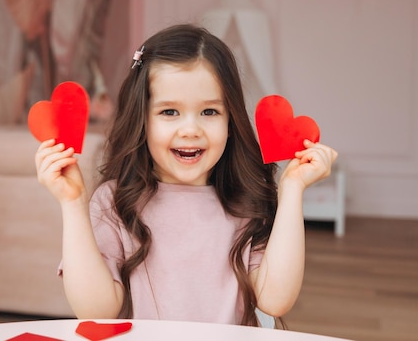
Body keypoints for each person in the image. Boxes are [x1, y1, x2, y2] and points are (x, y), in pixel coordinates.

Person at [35, 23, 338, 326]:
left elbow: (275, 300)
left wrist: (292, 190)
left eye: (209, 112)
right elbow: (95, 312)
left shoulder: (245, 200)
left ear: (231, 121)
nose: (191, 130)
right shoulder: (114, 203)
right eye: (169, 112)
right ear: (142, 118)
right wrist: (72, 204)